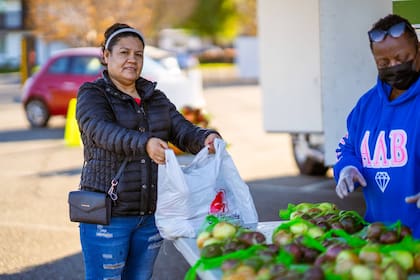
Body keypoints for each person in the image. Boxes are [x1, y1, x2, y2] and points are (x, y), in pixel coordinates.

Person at [75, 23, 220, 279]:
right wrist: (145, 143)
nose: (132, 59)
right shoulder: (93, 94)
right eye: (124, 52)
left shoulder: (156, 98)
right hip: (108, 216)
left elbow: (182, 129)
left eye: (138, 54)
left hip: (150, 217)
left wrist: (205, 138)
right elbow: (101, 131)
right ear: (106, 56)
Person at [334, 14, 420, 238]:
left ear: (418, 51)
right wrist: (347, 168)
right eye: (383, 63)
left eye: (402, 58)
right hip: (377, 236)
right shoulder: (367, 105)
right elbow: (348, 147)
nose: (393, 66)